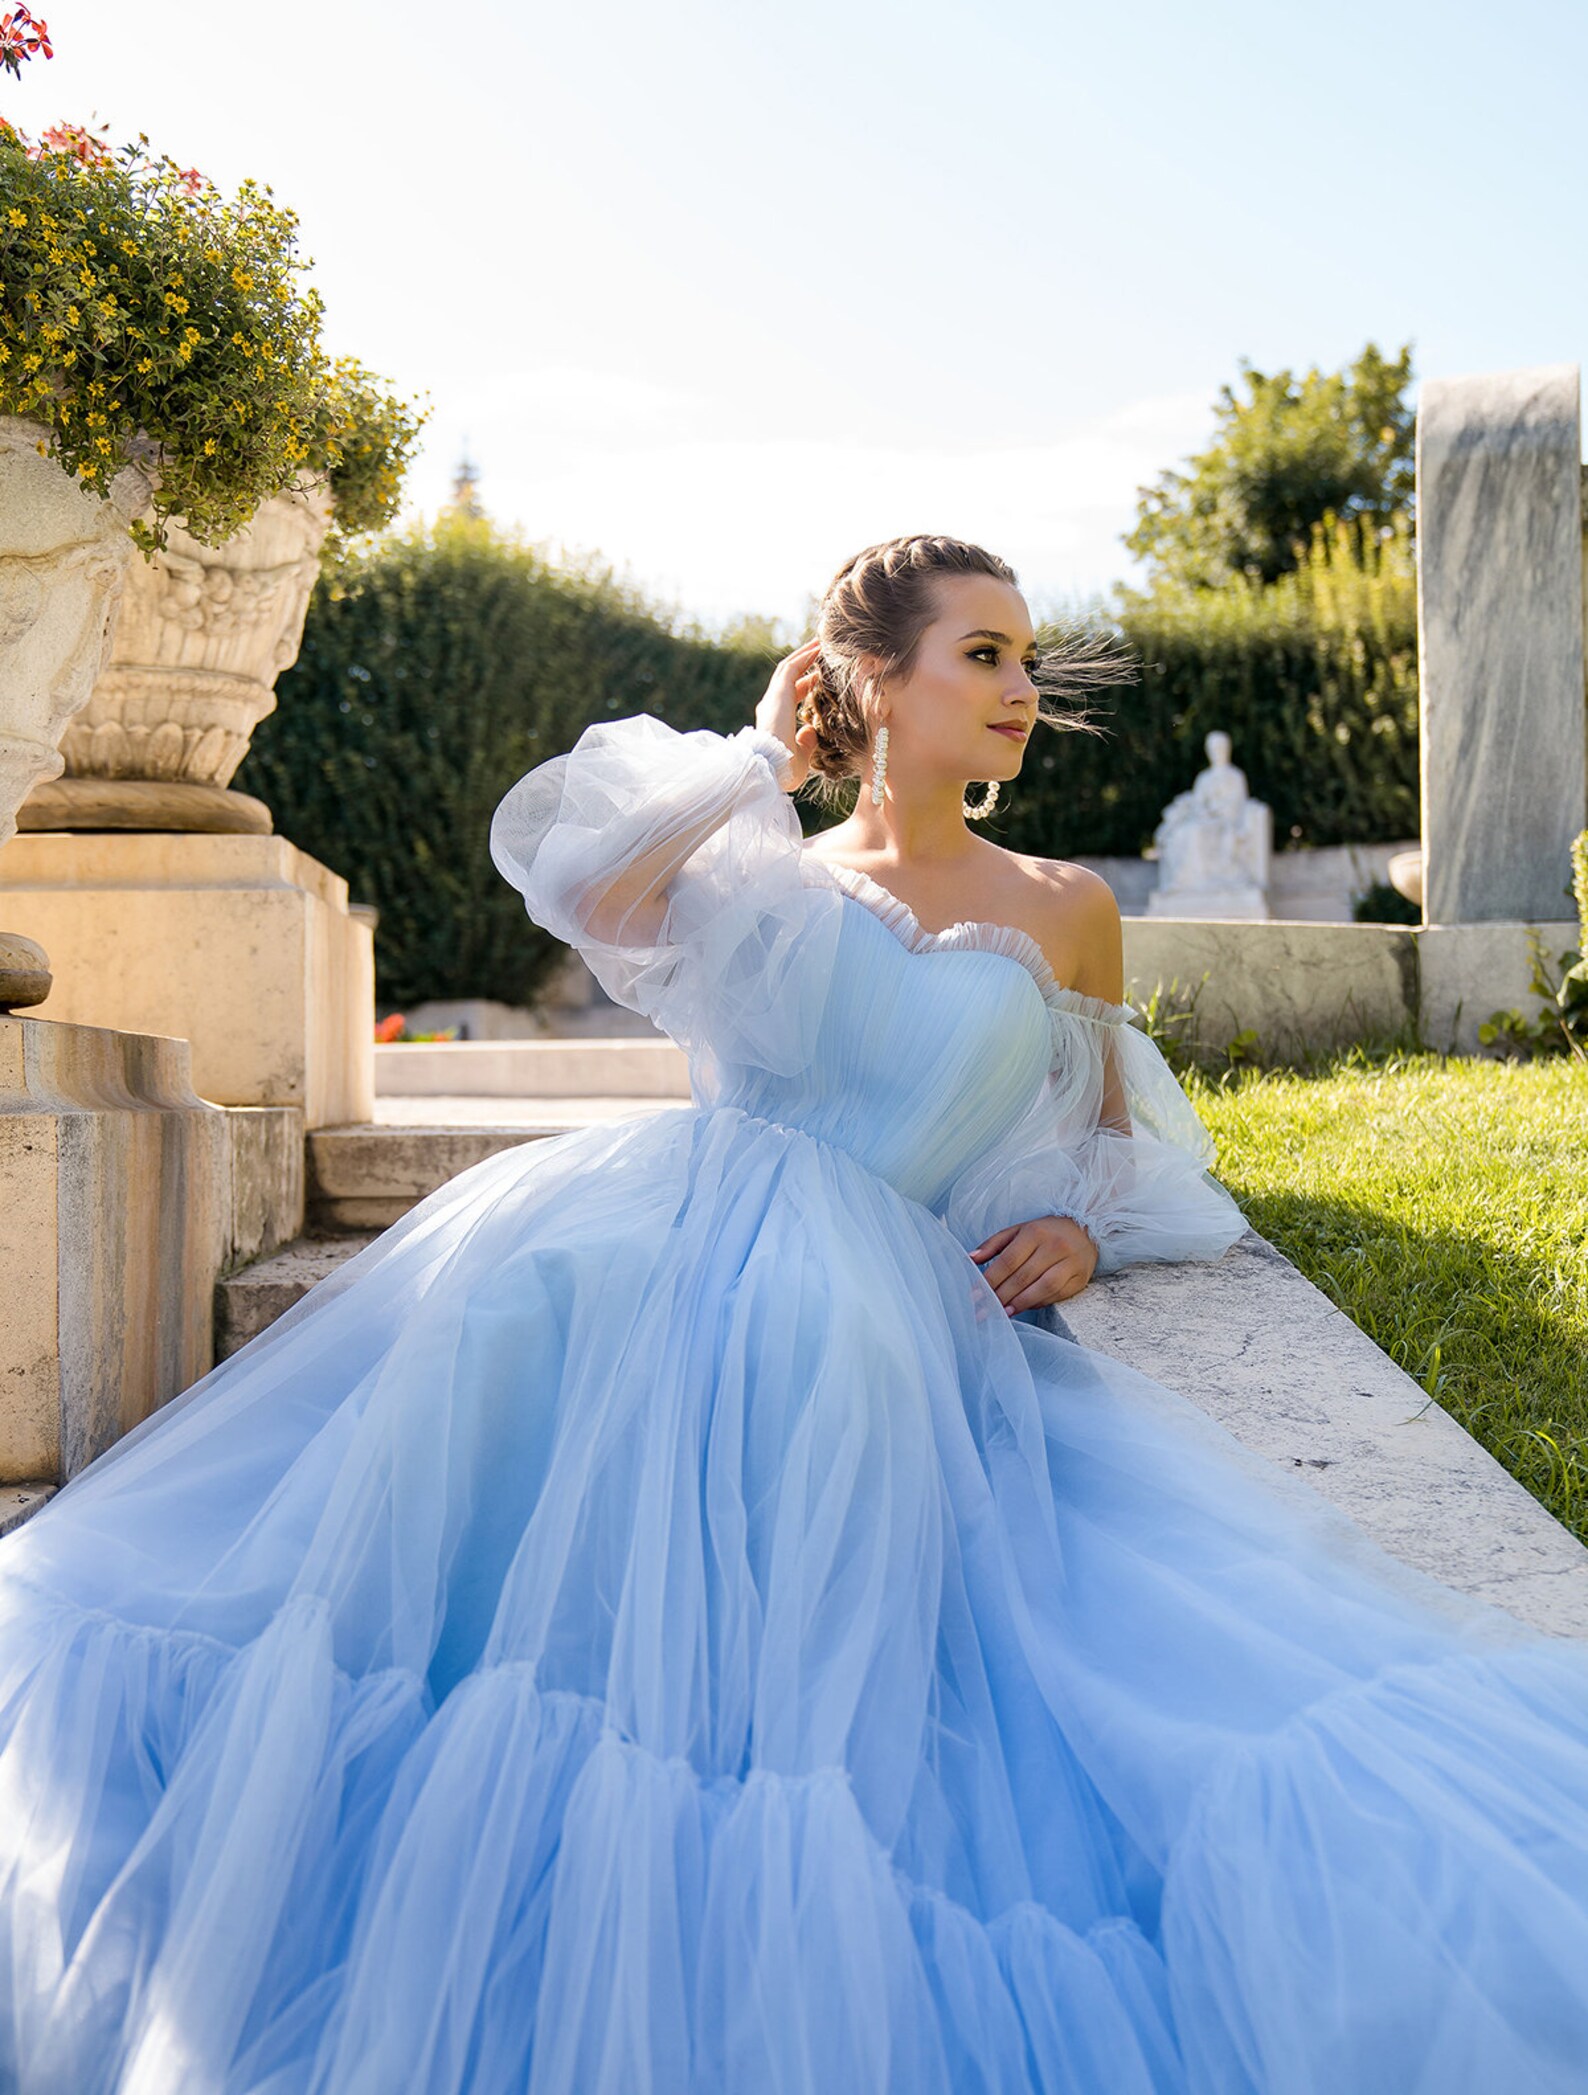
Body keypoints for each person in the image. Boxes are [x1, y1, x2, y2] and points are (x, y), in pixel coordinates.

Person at [0, 533, 1584, 2095]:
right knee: (509, 1398)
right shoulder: (754, 871)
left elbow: (1112, 1140)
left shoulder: (1064, 908)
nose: (1025, 687)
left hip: (882, 1300)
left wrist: (1078, 1237)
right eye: (985, 654)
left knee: (830, 1383)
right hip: (654, 1252)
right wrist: (759, 753)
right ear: (871, 683)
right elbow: (590, 893)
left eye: (1029, 657)